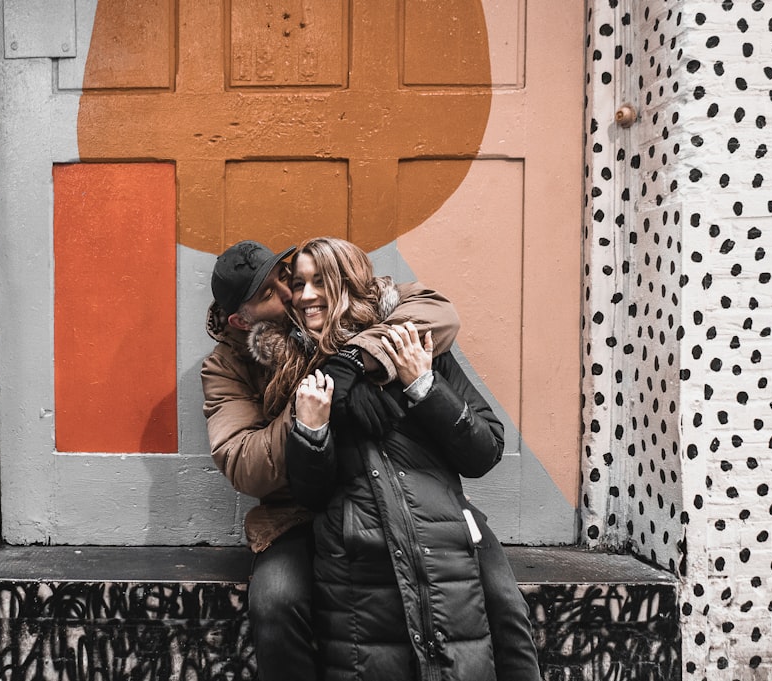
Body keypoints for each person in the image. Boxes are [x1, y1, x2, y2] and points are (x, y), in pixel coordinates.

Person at [251, 237, 541, 680]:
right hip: (358, 545)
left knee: (506, 613)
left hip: (439, 529)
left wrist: (422, 385)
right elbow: (311, 493)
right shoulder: (301, 370)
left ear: (348, 283)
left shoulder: (414, 345)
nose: (306, 295)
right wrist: (312, 429)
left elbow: (485, 450)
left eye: (319, 281)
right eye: (299, 283)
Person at [201, 240, 462, 681]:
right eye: (267, 294)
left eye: (283, 276)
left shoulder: (329, 308)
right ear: (239, 319)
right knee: (276, 600)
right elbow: (243, 462)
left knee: (489, 588)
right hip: (296, 515)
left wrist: (355, 359)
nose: (289, 294)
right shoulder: (226, 367)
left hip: (381, 496)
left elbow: (438, 313)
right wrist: (313, 401)